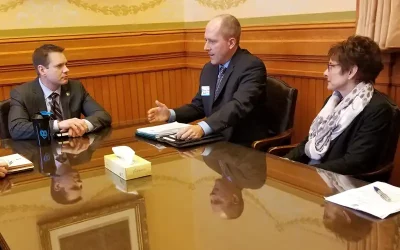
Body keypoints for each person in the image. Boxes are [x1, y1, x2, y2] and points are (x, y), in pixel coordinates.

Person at [147, 14, 268, 146]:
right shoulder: (209, 69)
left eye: (212, 41)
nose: (206, 47)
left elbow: (238, 105)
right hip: (214, 145)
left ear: (231, 42)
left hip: (243, 149)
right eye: (206, 40)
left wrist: (202, 128)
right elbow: (200, 105)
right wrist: (170, 114)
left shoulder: (251, 66)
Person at [285, 35, 395, 175]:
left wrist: (305, 173)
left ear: (351, 71)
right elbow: (310, 142)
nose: (325, 73)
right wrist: (285, 162)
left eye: (331, 66)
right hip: (317, 174)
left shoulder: (377, 109)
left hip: (344, 185)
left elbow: (354, 162)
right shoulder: (333, 101)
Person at [9, 44, 111, 140]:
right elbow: (17, 128)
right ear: (42, 70)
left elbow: (102, 115)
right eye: (59, 66)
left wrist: (82, 125)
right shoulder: (21, 93)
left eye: (66, 64)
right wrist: (58, 125)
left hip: (73, 151)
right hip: (41, 153)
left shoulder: (75, 87)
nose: (66, 69)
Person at [202, 142, 266, 219]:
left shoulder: (210, 162)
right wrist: (208, 150)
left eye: (211, 201)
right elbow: (243, 155)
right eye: (217, 201)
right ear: (235, 198)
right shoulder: (253, 181)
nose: (211, 195)